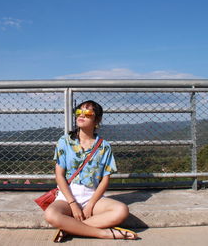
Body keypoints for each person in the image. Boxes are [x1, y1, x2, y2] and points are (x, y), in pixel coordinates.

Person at [44, 100, 138, 242]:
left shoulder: (104, 147)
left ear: (97, 119)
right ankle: (103, 234)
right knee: (51, 214)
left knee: (121, 210)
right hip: (67, 195)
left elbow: (105, 179)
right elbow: (59, 175)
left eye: (87, 113)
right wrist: (72, 203)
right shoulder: (65, 142)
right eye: (79, 112)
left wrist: (91, 205)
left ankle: (70, 229)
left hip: (91, 195)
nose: (81, 115)